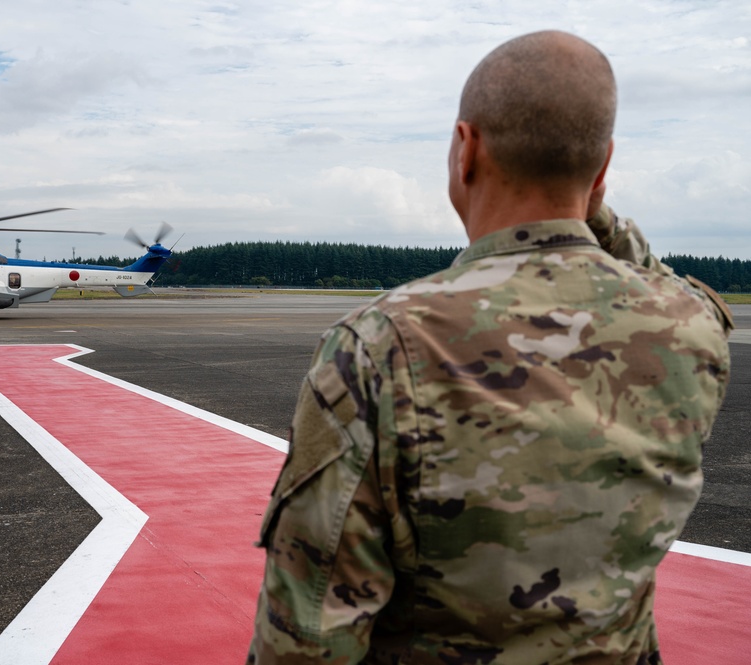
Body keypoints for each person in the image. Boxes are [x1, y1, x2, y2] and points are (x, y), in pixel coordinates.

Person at [247, 30, 733, 665]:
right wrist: (589, 207)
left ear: (465, 149)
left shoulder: (378, 346)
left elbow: (308, 642)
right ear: (603, 171)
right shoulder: (688, 330)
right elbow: (679, 291)